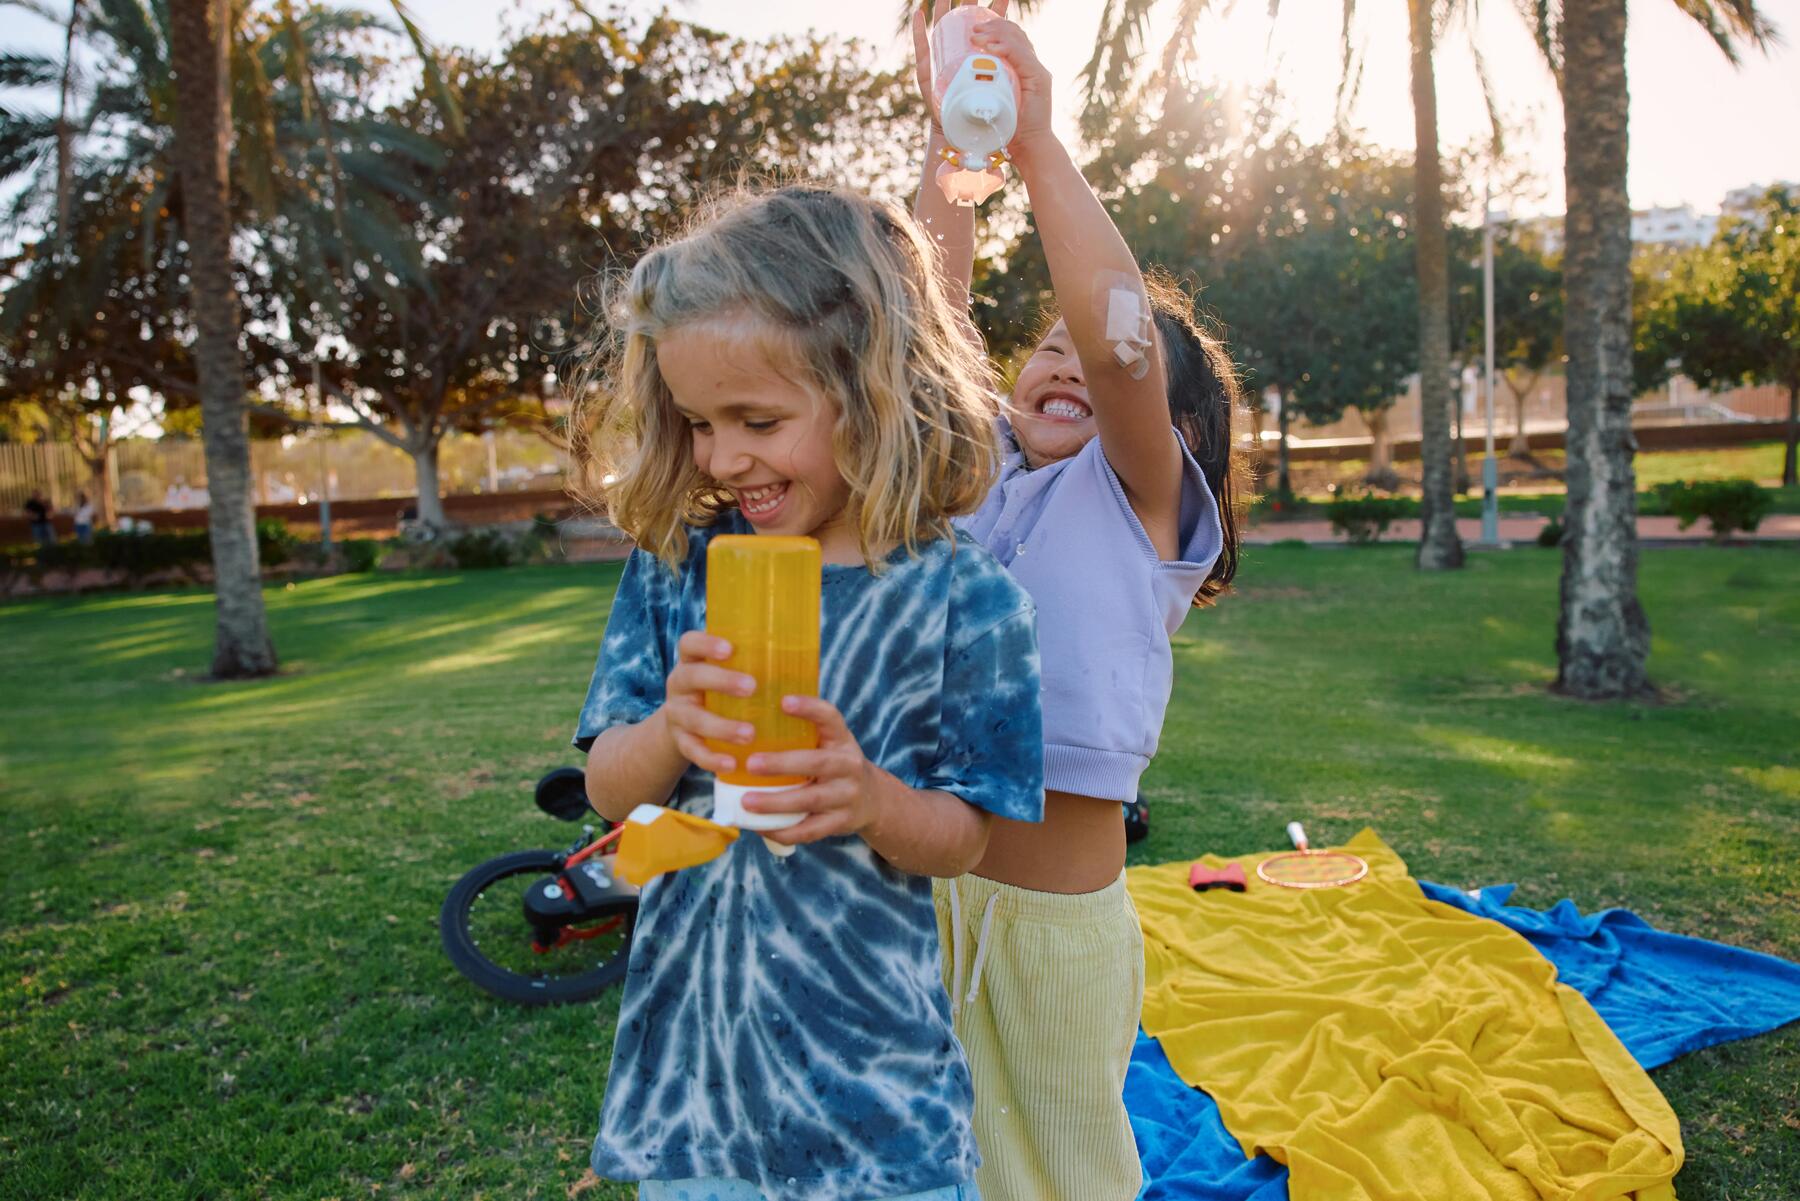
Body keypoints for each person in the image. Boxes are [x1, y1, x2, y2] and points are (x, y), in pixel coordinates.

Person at [569, 185, 1046, 1201]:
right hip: (701, 1098)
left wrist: (870, 799)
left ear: (875, 388)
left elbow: (967, 835)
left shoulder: (971, 601)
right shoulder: (676, 569)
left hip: (875, 1100)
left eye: (758, 419)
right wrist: (669, 730)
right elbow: (614, 793)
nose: (724, 457)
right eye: (697, 422)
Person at [909, 7, 1244, 1200]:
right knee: (938, 1159)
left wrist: (1039, 146)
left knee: (1060, 1171)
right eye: (1039, 346)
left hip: (1054, 925)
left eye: (1083, 353)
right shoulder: (968, 472)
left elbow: (1122, 348)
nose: (1062, 359)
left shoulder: (1140, 502)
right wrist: (957, 144)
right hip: (917, 888)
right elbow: (916, 326)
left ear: (1180, 436)